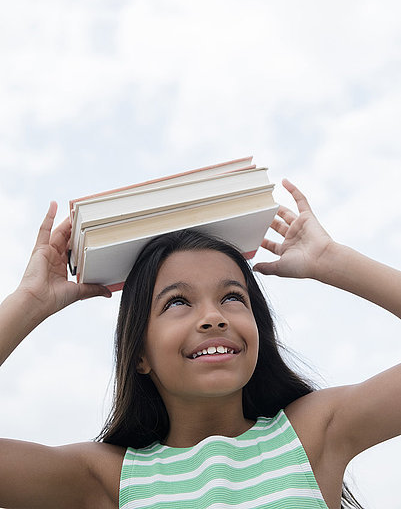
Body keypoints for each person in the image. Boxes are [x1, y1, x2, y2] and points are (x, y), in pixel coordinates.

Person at [0, 179, 399, 509]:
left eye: (232, 297)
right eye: (178, 302)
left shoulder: (313, 433)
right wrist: (30, 302)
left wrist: (333, 259)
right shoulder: (108, 478)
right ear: (139, 353)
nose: (213, 317)